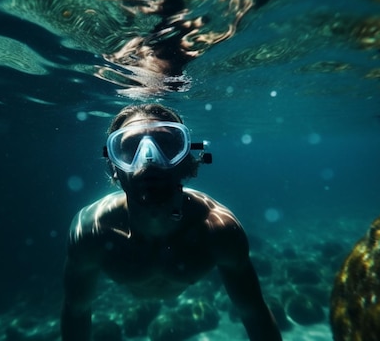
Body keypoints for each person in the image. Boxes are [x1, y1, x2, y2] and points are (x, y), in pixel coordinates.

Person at [61, 103, 282, 341]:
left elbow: (254, 312)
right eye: (129, 149)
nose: (148, 161)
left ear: (187, 161)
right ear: (114, 167)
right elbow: (76, 311)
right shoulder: (92, 231)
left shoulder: (219, 231)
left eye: (166, 147)